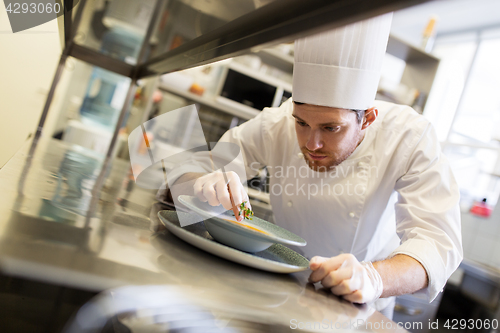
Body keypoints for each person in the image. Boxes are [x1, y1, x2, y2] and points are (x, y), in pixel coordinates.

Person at [158, 13, 462, 316]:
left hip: (358, 309)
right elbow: (184, 174)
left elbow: (438, 243)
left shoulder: (408, 136)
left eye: (331, 128)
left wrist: (373, 277)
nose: (311, 143)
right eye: (301, 122)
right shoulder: (275, 123)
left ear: (367, 119)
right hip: (279, 287)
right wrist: (198, 184)